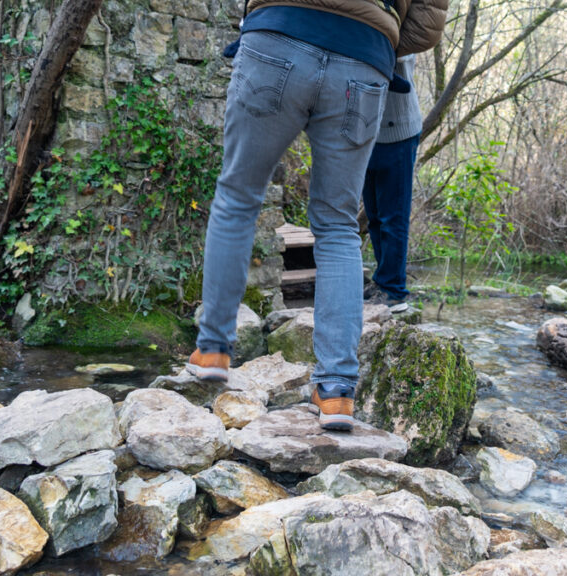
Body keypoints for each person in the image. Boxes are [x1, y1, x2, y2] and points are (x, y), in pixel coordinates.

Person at [186, 0, 447, 432]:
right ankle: (337, 391)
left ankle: (213, 348)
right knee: (338, 225)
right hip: (364, 57)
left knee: (237, 195)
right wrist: (378, 30)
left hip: (279, 32)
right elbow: (427, 23)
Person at [362, 54, 421, 314]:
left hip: (398, 131)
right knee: (374, 216)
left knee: (392, 217)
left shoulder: (401, 21)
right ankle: (382, 282)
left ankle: (395, 291)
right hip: (366, 131)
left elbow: (403, 56)